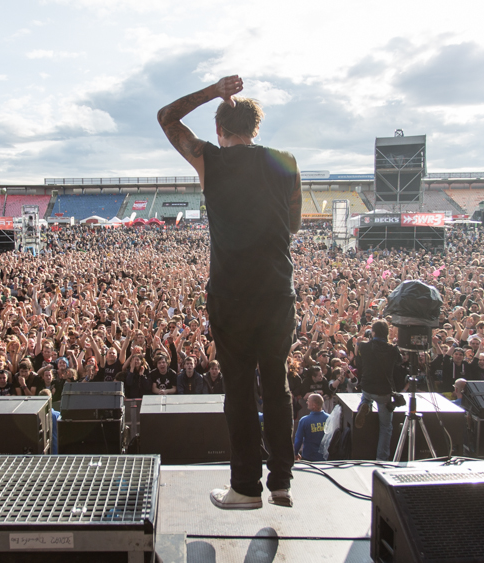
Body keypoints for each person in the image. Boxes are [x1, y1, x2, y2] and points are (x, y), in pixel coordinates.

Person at [159, 75, 301, 509]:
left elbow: (166, 117)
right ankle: (281, 481)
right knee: (276, 385)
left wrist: (212, 91)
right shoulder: (285, 160)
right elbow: (293, 224)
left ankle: (245, 488)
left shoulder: (209, 160)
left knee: (239, 389)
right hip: (278, 291)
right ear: (255, 129)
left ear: (218, 130)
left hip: (231, 295)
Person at [354, 321, 403, 461]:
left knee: (366, 397)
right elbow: (399, 362)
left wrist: (359, 343)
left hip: (367, 386)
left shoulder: (364, 346)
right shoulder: (392, 349)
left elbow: (359, 362)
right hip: (384, 390)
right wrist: (396, 346)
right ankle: (382, 458)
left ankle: (366, 405)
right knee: (386, 427)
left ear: (373, 332)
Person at [294, 394, 329, 462]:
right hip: (325, 458)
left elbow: (298, 439)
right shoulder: (329, 418)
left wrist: (295, 453)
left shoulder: (304, 421)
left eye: (308, 401)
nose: (306, 402)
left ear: (314, 405)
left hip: (309, 457)